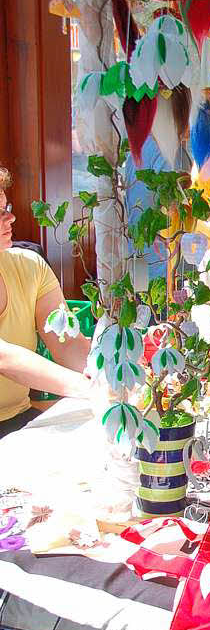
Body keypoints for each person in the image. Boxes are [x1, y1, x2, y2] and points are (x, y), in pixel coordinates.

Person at [0, 167, 90, 438]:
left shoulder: (30, 266)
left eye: (7, 207)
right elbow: (4, 357)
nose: (11, 217)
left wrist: (110, 378)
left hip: (17, 418)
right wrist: (88, 389)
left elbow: (67, 342)